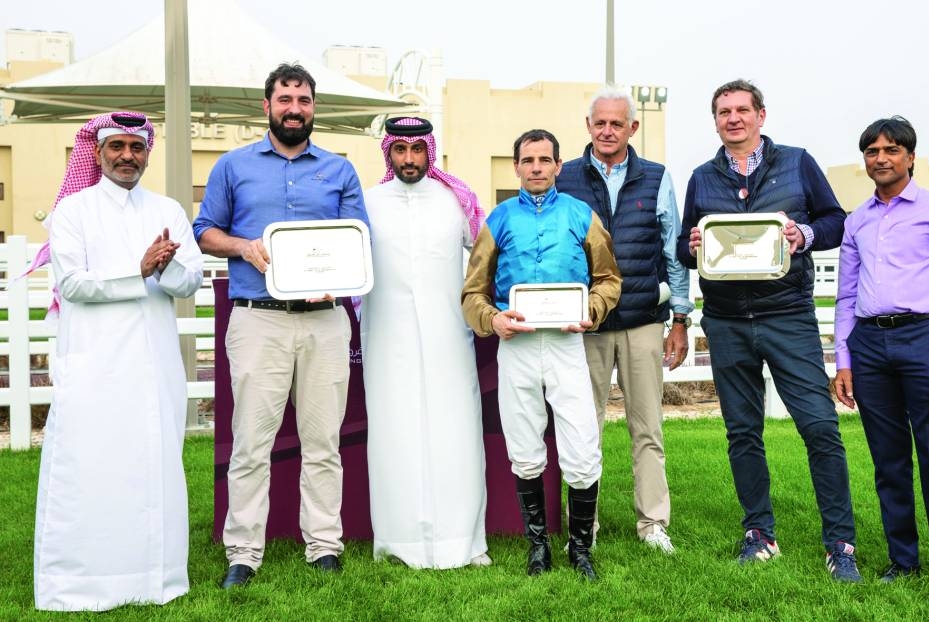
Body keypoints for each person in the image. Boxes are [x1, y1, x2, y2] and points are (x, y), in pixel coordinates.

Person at [677, 79, 860, 581]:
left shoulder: (797, 162)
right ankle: (760, 534)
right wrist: (691, 243)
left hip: (788, 316)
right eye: (723, 112)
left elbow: (836, 221)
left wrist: (805, 234)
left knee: (820, 428)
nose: (732, 118)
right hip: (727, 320)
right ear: (715, 120)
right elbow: (682, 248)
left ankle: (839, 545)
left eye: (741, 110)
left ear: (761, 115)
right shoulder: (701, 177)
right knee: (742, 433)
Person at [193, 63, 368, 588]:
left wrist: (338, 278)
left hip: (324, 320)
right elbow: (204, 231)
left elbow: (359, 239)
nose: (295, 108)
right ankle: (243, 553)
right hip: (258, 320)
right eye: (286, 99)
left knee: (322, 442)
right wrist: (243, 246)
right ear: (266, 106)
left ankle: (324, 546)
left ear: (315, 107)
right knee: (251, 442)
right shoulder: (232, 165)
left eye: (305, 100)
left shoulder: (339, 170)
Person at [34, 112, 203, 611]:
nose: (128, 155)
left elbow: (191, 281)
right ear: (98, 152)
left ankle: (157, 578)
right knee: (92, 466)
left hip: (154, 364)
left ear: (148, 152)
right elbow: (74, 285)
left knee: (153, 463)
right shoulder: (73, 211)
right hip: (95, 364)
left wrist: (167, 269)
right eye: (118, 146)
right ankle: (82, 583)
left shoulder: (167, 207)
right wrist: (140, 271)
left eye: (137, 146)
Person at [462, 129, 621, 581]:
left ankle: (581, 548)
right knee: (525, 445)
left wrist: (590, 311)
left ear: (557, 166)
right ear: (516, 167)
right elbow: (472, 292)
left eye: (544, 160)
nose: (536, 167)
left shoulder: (580, 215)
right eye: (527, 160)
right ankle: (538, 547)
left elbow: (609, 280)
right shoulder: (498, 220)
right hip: (518, 348)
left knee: (582, 446)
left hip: (570, 344)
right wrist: (492, 320)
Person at [834, 116, 929, 598]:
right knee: (889, 461)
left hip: (925, 339)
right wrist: (843, 360)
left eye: (892, 150)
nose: (881, 158)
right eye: (873, 151)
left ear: (911, 157)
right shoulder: (857, 221)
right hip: (870, 346)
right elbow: (845, 296)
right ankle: (903, 559)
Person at [557, 86, 693, 553]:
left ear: (633, 128)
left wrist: (680, 317)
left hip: (641, 321)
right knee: (581, 427)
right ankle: (583, 527)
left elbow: (674, 253)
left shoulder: (656, 177)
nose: (608, 130)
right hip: (583, 324)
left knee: (647, 427)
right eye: (600, 122)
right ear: (589, 126)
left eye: (618, 123)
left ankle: (653, 524)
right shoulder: (564, 177)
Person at [361, 116, 489, 569]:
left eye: (418, 149)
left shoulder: (456, 201)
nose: (409, 159)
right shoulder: (367, 203)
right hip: (386, 338)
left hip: (448, 338)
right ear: (388, 153)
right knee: (394, 432)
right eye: (400, 149)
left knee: (456, 432)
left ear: (429, 152)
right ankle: (397, 542)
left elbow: (488, 256)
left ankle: (465, 541)